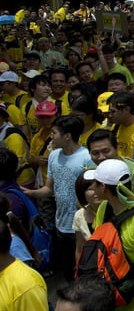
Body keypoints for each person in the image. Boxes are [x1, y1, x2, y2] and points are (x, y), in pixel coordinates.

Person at [84, 159, 134, 311]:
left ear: (103, 187)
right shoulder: (104, 208)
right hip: (108, 303)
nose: (92, 187)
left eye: (95, 183)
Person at [24, 115, 93, 280]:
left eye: (54, 133)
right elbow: (49, 189)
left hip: (80, 225)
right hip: (59, 224)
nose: (51, 136)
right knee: (68, 269)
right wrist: (29, 193)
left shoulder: (87, 158)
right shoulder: (54, 156)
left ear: (67, 135)